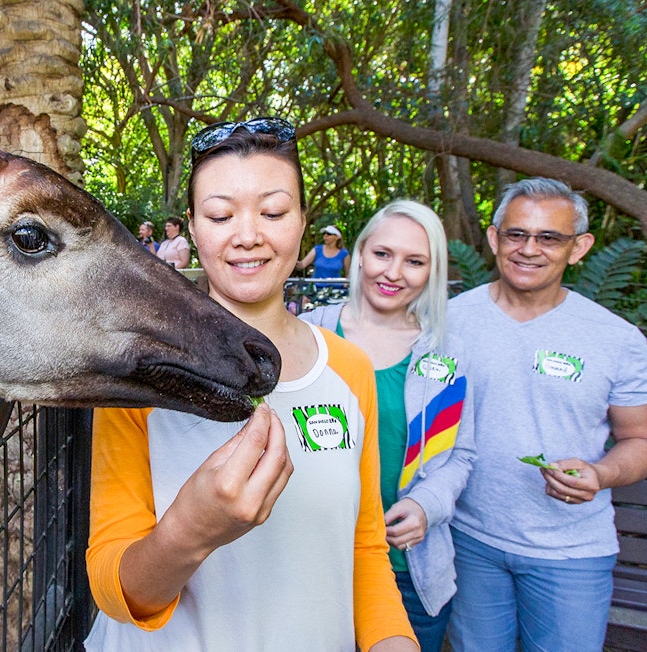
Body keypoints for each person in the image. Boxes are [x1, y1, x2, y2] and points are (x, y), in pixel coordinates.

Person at [85, 116, 418, 651]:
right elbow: (111, 584)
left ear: (302, 222)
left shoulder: (350, 371)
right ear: (192, 228)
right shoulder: (140, 374)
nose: (247, 236)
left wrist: (393, 641)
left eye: (273, 211)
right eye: (220, 214)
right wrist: (189, 530)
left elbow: (363, 550)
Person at [445, 177, 647, 651]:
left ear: (578, 248)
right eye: (516, 234)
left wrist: (600, 472)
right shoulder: (450, 321)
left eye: (549, 238)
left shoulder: (615, 340)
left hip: (571, 551)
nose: (529, 249)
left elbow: (640, 440)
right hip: (471, 541)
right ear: (495, 238)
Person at [300, 200, 475, 651]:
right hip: (314, 562)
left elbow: (461, 456)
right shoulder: (309, 333)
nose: (394, 272)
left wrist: (426, 506)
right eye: (383, 254)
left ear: (431, 271)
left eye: (414, 261)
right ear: (359, 253)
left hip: (408, 567)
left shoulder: (446, 353)